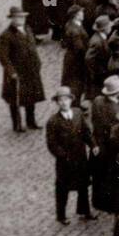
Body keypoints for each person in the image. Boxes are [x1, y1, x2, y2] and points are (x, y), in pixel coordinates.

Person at [45, 85, 94, 224]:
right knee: (63, 188)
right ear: (57, 102)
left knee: (83, 186)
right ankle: (61, 215)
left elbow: (86, 132)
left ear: (71, 100)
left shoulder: (78, 113)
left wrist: (93, 145)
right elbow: (52, 144)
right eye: (60, 100)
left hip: (80, 158)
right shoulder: (53, 122)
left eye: (66, 99)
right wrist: (63, 156)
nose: (63, 102)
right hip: (65, 162)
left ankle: (85, 211)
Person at [0, 5, 44, 132]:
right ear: (12, 19)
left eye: (22, 17)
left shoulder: (28, 29)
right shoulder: (6, 36)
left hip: (31, 70)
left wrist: (38, 63)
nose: (21, 19)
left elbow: (33, 48)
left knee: (31, 97)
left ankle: (31, 122)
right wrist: (11, 72)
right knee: (15, 99)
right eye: (18, 17)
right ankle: (17, 124)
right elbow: (3, 57)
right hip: (17, 73)